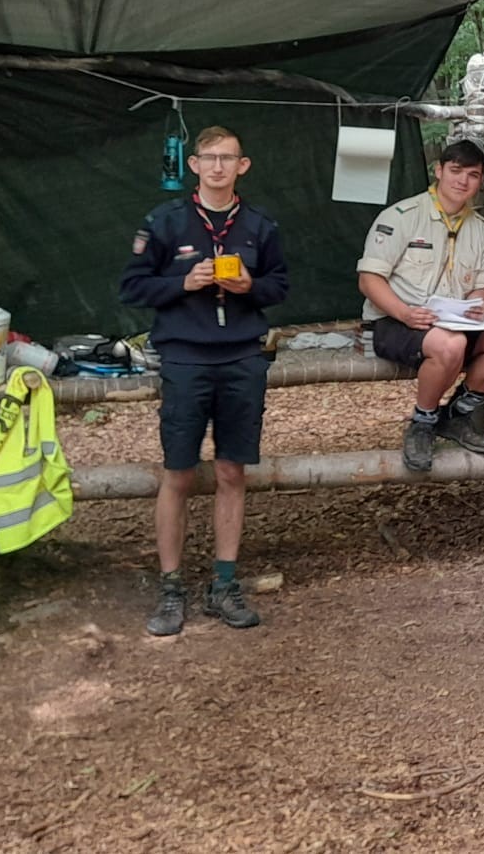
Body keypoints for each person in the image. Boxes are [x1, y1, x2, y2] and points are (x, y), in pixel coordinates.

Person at [118, 125, 289, 636]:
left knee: (233, 472)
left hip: (241, 358)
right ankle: (172, 587)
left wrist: (248, 286)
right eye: (209, 158)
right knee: (180, 473)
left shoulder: (259, 225)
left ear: (243, 166)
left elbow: (280, 284)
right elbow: (132, 286)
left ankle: (224, 583)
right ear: (193, 165)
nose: (218, 166)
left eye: (228, 158)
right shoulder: (165, 222)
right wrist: (182, 283)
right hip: (185, 359)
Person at [358, 140, 484, 473]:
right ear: (438, 171)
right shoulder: (401, 216)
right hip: (398, 321)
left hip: (455, 322)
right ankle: (422, 423)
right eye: (455, 171)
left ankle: (458, 413)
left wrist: (478, 305)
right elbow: (369, 280)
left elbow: (481, 284)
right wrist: (405, 312)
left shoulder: (479, 230)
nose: (462, 181)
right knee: (451, 344)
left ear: (480, 182)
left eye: (473, 175)